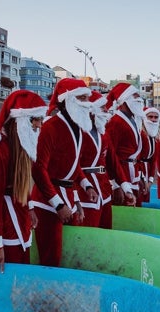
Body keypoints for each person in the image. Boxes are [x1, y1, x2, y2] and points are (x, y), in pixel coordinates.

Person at [30, 78, 99, 266]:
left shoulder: (78, 127)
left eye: (87, 98)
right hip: (47, 202)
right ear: (68, 100)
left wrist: (86, 186)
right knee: (51, 258)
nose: (87, 103)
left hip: (68, 196)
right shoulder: (50, 127)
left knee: (69, 254)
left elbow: (72, 164)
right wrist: (58, 205)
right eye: (82, 98)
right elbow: (38, 169)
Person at [0, 90, 47, 273]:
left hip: (19, 217)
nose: (40, 125)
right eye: (37, 120)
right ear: (22, 120)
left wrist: (29, 208)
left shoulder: (20, 146)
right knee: (7, 279)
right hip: (4, 225)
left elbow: (21, 181)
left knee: (22, 272)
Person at [73, 90, 134, 228]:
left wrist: (125, 187)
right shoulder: (79, 131)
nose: (106, 110)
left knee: (106, 226)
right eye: (102, 107)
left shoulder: (103, 133)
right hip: (85, 190)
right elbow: (72, 163)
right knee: (89, 227)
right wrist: (82, 188)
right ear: (92, 108)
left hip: (104, 188)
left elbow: (113, 162)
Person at [104, 82, 146, 206]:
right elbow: (109, 156)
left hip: (132, 173)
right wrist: (115, 184)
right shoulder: (115, 122)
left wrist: (140, 177)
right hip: (121, 173)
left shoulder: (132, 120)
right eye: (135, 95)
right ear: (125, 99)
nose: (139, 99)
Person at [138, 107, 160, 203]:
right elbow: (137, 157)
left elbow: (153, 159)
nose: (153, 120)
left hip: (147, 173)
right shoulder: (140, 134)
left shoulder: (154, 136)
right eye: (150, 117)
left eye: (156, 117)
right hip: (139, 172)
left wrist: (151, 180)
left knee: (146, 198)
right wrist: (142, 178)